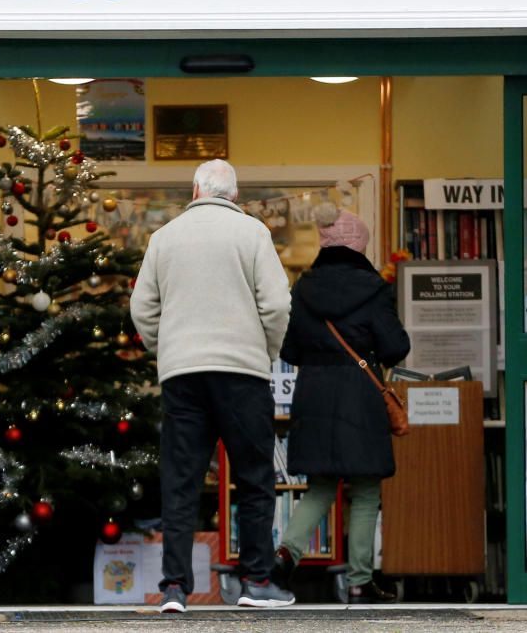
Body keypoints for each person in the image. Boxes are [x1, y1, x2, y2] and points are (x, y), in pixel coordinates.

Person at [130, 159, 295, 614]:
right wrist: (267, 352)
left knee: (181, 483)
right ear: (235, 196)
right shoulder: (254, 234)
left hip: (183, 375)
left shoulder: (164, 238)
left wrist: (166, 348)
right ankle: (256, 581)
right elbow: (278, 304)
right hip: (243, 373)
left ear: (195, 189)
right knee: (254, 480)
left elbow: (142, 307)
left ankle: (174, 589)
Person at [272, 202, 410, 604]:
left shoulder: (303, 288)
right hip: (361, 399)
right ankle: (360, 581)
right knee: (366, 491)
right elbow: (395, 346)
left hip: (314, 394)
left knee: (319, 488)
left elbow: (289, 350)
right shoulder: (374, 290)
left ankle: (285, 554)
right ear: (358, 247)